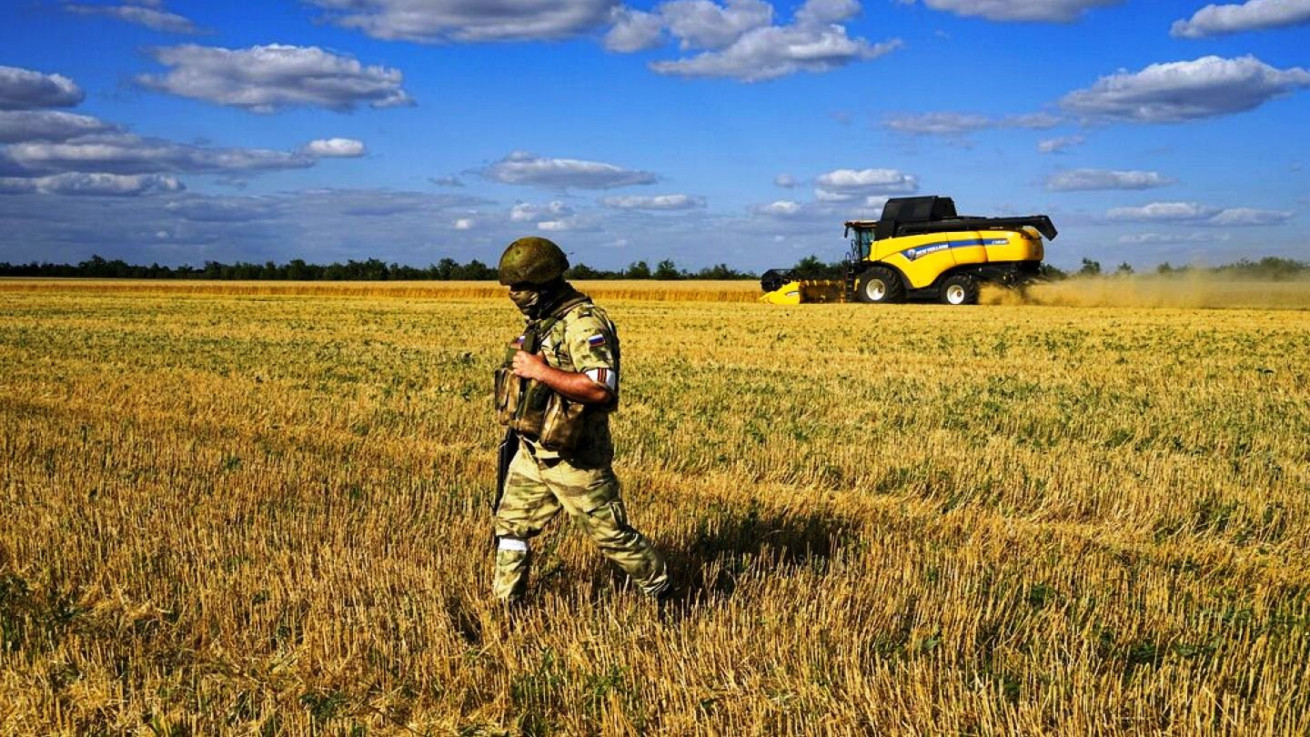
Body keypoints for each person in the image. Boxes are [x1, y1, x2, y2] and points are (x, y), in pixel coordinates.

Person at [491, 236, 668, 604]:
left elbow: (601, 389)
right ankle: (505, 605)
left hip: (576, 456)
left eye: (520, 286)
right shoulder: (543, 321)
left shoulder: (584, 324)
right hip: (533, 450)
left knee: (611, 536)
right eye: (511, 286)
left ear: (544, 282)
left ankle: (665, 593)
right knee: (510, 527)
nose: (513, 293)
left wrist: (540, 371)